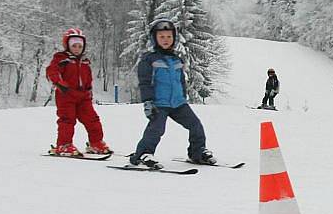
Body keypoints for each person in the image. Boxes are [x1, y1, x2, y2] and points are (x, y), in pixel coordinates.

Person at [129, 18, 215, 169]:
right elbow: (145, 82)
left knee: (195, 125)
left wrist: (183, 95)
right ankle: (143, 154)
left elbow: (181, 80)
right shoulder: (149, 59)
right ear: (154, 38)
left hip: (178, 103)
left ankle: (197, 152)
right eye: (161, 36)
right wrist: (148, 101)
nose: (166, 40)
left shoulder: (176, 59)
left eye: (169, 36)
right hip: (159, 104)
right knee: (156, 129)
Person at [45, 28, 111, 156]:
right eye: (74, 46)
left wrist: (89, 91)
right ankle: (64, 145)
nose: (77, 49)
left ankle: (96, 142)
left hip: (83, 97)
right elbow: (51, 71)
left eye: (80, 46)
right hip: (66, 96)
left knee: (92, 119)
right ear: (67, 46)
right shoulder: (61, 59)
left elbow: (88, 78)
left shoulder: (85, 62)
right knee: (67, 120)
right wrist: (59, 82)